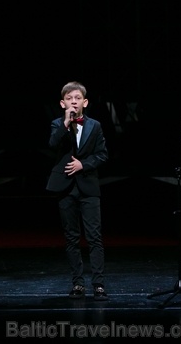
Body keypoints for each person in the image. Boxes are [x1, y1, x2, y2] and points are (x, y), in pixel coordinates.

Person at [46, 81, 109, 301]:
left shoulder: (95, 126)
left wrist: (84, 164)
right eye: (70, 98)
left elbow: (102, 154)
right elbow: (53, 145)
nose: (74, 101)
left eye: (78, 98)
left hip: (88, 186)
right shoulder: (57, 124)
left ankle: (98, 284)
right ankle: (78, 284)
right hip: (65, 187)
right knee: (71, 237)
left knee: (94, 237)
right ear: (63, 103)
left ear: (85, 101)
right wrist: (65, 123)